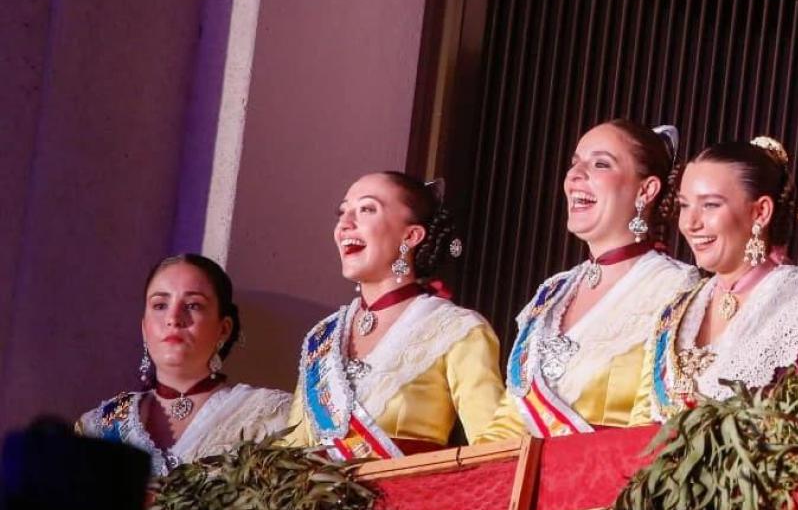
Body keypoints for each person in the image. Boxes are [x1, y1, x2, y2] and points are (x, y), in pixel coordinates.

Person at [283, 172, 507, 459]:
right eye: (342, 212)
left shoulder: (457, 328)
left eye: (367, 209)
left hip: (411, 487)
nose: (345, 224)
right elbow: (291, 449)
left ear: (411, 236)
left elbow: (495, 449)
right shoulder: (323, 336)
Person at [503, 121, 702, 434]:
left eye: (600, 164)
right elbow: (509, 420)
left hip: (617, 464)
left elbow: (655, 422)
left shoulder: (673, 287)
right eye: (575, 163)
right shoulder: (552, 293)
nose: (574, 175)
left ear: (646, 190)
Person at [637, 137, 798, 418]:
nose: (690, 223)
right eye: (684, 205)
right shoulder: (677, 310)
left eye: (710, 205)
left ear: (760, 212)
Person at [78, 255, 291, 476]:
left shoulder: (267, 416)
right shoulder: (99, 426)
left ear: (224, 329)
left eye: (193, 305)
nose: (173, 318)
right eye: (160, 305)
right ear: (144, 328)